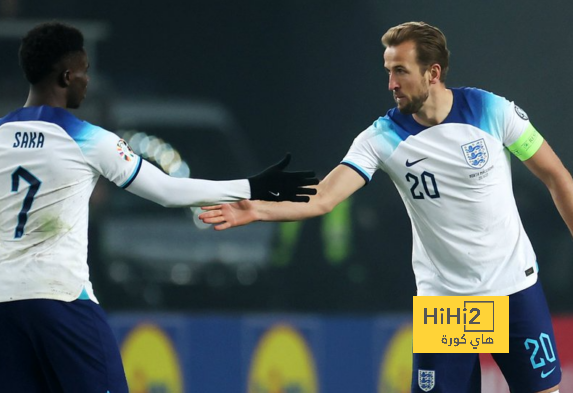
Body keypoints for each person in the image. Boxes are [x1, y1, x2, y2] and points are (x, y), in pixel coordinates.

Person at [0, 21, 318, 392]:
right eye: (84, 71)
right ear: (66, 77)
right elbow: (168, 190)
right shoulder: (88, 139)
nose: (88, 80)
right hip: (63, 299)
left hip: (3, 307)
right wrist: (252, 186)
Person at [199, 21, 571, 393]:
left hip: (514, 288)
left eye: (400, 72)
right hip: (447, 303)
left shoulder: (493, 111)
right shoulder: (382, 137)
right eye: (388, 71)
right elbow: (326, 196)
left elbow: (557, 176)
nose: (391, 83)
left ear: (433, 73)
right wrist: (258, 209)